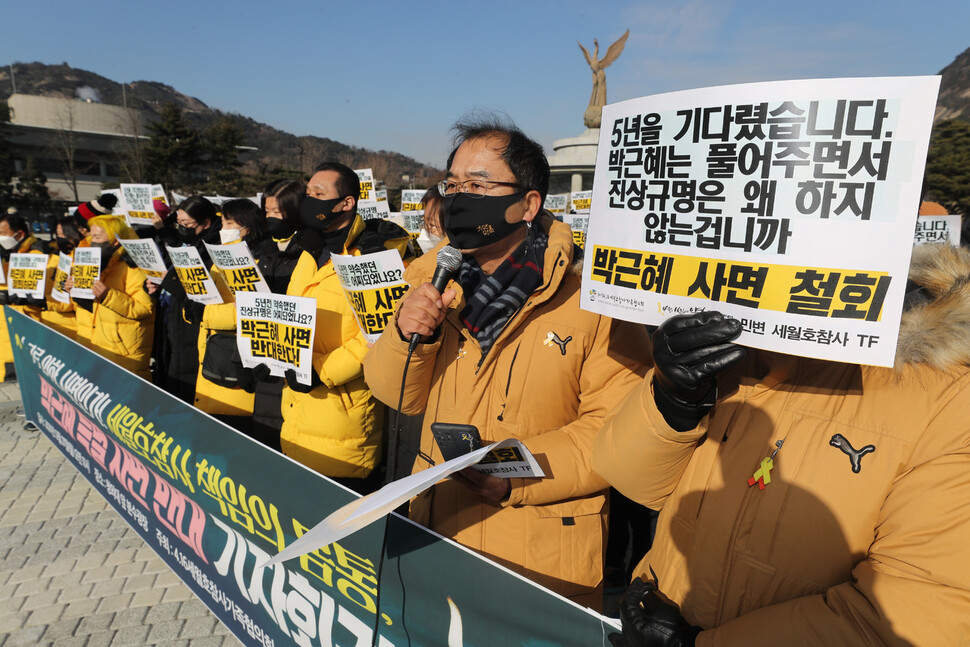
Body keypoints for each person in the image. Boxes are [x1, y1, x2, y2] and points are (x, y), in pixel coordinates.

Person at [594, 242, 970, 645]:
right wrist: (671, 402)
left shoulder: (948, 396)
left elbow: (917, 611)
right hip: (649, 620)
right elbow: (633, 481)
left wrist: (698, 644)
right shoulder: (734, 337)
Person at [362, 117, 650, 608]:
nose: (458, 196)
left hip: (539, 559)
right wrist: (406, 334)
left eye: (477, 184)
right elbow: (393, 393)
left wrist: (519, 474)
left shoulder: (592, 298)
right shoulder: (430, 276)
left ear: (528, 203)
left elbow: (613, 428)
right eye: (452, 184)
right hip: (436, 530)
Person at [279, 161, 414, 493]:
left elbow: (380, 332)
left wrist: (321, 370)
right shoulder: (308, 250)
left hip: (344, 422)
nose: (308, 199)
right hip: (295, 415)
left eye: (319, 193)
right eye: (307, 192)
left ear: (346, 203)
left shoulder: (377, 253)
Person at [193, 199, 266, 436]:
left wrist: (209, 312)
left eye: (229, 223)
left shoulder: (257, 261)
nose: (223, 228)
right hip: (212, 359)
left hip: (234, 368)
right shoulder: (218, 259)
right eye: (223, 222)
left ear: (247, 227)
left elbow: (253, 310)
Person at [245, 179, 308, 447]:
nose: (271, 218)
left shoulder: (308, 253)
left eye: (277, 212)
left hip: (292, 362)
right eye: (267, 211)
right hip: (263, 354)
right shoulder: (265, 249)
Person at [149, 196, 221, 402]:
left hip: (192, 325)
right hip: (172, 317)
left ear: (206, 223)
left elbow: (202, 291)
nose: (181, 228)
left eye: (187, 224)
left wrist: (172, 283)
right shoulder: (189, 242)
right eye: (179, 223)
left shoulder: (213, 246)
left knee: (185, 381)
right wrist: (157, 286)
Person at [66, 216, 154, 380]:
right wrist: (75, 291)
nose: (92, 242)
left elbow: (144, 309)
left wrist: (108, 294)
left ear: (115, 242)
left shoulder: (133, 266)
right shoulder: (96, 263)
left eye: (97, 238)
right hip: (99, 347)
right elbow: (94, 309)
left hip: (123, 353)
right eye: (91, 237)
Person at [0, 211, 46, 381]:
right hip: (7, 334)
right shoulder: (12, 255)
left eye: (3, 233)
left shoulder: (35, 256)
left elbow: (34, 298)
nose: (0, 237)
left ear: (19, 234)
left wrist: (9, 296)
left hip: (22, 334)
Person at [41, 217, 88, 339]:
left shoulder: (82, 260)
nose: (60, 238)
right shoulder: (54, 256)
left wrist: (46, 302)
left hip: (69, 325)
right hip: (48, 321)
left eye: (63, 234)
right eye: (58, 234)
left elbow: (72, 301)